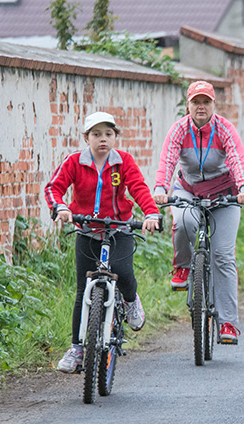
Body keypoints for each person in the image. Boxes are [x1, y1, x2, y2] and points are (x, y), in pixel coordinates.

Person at [45, 111, 162, 373]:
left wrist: (151, 214)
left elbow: (139, 188)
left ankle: (130, 301)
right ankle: (77, 348)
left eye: (108, 134)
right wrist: (60, 207)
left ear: (115, 137)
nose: (103, 139)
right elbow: (54, 188)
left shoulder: (124, 162)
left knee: (123, 272)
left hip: (119, 230)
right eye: (96, 134)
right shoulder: (74, 162)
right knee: (82, 290)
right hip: (87, 232)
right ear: (86, 138)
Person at [153, 81, 244, 345]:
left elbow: (236, 160)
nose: (201, 107)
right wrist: (161, 188)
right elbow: (167, 160)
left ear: (213, 105)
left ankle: (228, 323)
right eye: (196, 102)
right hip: (188, 190)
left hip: (224, 195)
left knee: (223, 256)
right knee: (183, 221)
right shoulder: (179, 129)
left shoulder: (225, 129)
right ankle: (183, 267)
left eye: (206, 102)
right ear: (188, 105)